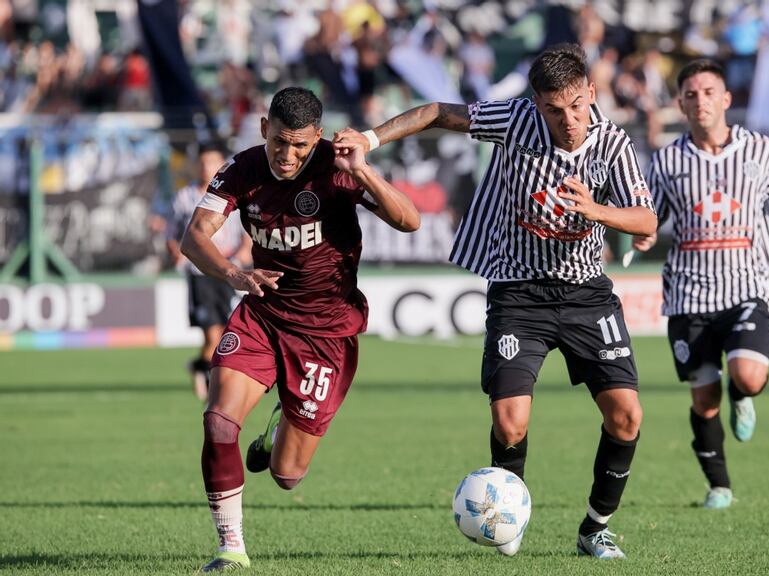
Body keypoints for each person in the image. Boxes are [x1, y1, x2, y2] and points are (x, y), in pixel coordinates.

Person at [335, 43, 656, 559]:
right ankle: (508, 515)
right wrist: (370, 138)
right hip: (519, 292)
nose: (568, 119)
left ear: (591, 94)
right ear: (536, 103)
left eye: (577, 105)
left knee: (627, 416)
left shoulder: (613, 144)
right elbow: (437, 112)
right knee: (510, 422)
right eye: (554, 109)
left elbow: (646, 220)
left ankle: (595, 527)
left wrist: (597, 210)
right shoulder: (514, 120)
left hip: (585, 294)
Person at [180, 86, 420, 572]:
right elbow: (193, 238)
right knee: (218, 421)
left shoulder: (338, 166)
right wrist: (235, 275)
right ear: (264, 129)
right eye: (279, 143)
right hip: (263, 313)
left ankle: (278, 425)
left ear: (318, 139)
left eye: (301, 147)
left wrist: (365, 171)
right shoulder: (241, 169)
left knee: (287, 474)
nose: (287, 156)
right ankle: (231, 549)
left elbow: (410, 220)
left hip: (326, 332)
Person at [633, 59, 769, 509]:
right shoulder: (668, 161)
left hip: (748, 286)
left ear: (726, 99)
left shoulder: (762, 152)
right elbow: (650, 218)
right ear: (680, 104)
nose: (701, 101)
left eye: (709, 92)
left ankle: (745, 395)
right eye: (691, 94)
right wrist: (643, 233)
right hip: (689, 294)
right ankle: (719, 486)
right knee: (704, 399)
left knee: (748, 376)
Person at [166, 142, 251, 400]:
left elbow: (248, 228)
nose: (206, 168)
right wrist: (177, 255)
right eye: (202, 163)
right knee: (213, 334)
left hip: (231, 270)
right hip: (200, 272)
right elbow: (172, 234)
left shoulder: (235, 192)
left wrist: (245, 251)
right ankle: (214, 382)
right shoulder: (184, 197)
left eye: (212, 162)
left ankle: (202, 369)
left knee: (227, 333)